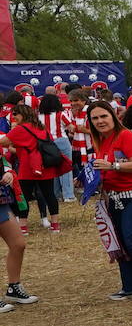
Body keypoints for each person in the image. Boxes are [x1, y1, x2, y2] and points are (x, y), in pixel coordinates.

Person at [88, 99, 132, 299]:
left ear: (113, 115)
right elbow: (104, 168)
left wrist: (112, 166)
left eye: (104, 116)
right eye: (95, 118)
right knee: (122, 244)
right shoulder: (101, 140)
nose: (100, 121)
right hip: (115, 197)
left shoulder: (126, 135)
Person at [0, 103, 64, 234]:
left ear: (22, 115)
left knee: (23, 197)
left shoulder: (20, 129)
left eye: (15, 114)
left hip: (28, 167)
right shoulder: (41, 127)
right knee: (49, 194)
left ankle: (23, 226)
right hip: (45, 166)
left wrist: (14, 141)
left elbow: (4, 142)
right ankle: (55, 224)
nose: (13, 117)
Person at [0, 151, 34, 310]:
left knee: (18, 244)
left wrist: (8, 173)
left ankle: (14, 288)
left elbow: (5, 163)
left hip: (1, 200)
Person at [37, 93, 76, 202]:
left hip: (46, 143)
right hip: (61, 141)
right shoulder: (61, 114)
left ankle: (56, 195)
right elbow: (71, 127)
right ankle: (68, 195)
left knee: (51, 169)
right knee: (66, 168)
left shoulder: (38, 116)